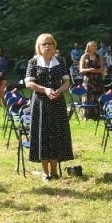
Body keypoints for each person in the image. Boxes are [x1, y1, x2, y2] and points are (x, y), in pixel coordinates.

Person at [24, 34, 74, 179]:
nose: (47, 46)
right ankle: (45, 173)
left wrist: (60, 90)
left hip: (57, 103)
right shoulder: (33, 62)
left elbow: (66, 82)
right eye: (44, 44)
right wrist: (45, 89)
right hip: (40, 103)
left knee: (57, 135)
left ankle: (55, 171)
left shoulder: (59, 61)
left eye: (49, 43)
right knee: (43, 135)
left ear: (54, 46)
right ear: (38, 47)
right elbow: (29, 83)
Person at [77, 40, 104, 119]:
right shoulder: (84, 57)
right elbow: (81, 70)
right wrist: (89, 70)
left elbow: (102, 69)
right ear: (89, 47)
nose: (96, 47)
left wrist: (95, 70)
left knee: (98, 95)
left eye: (96, 46)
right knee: (87, 96)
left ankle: (98, 114)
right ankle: (87, 115)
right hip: (88, 80)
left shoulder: (99, 57)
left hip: (97, 79)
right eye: (94, 46)